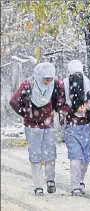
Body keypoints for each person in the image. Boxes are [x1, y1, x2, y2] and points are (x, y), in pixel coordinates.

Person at [9, 62, 63, 196]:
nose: (48, 81)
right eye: (46, 78)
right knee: (35, 155)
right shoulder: (28, 85)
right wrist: (26, 113)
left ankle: (50, 180)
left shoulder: (54, 85)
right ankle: (38, 185)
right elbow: (14, 101)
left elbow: (59, 102)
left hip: (48, 125)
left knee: (50, 153)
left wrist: (61, 112)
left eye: (50, 79)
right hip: (32, 127)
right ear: (39, 76)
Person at [58, 60, 90, 196]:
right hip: (71, 126)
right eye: (74, 74)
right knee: (75, 157)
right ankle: (75, 186)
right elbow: (60, 104)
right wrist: (73, 109)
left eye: (79, 74)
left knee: (85, 158)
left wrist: (86, 106)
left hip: (87, 126)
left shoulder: (88, 83)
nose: (77, 77)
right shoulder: (64, 85)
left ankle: (80, 181)